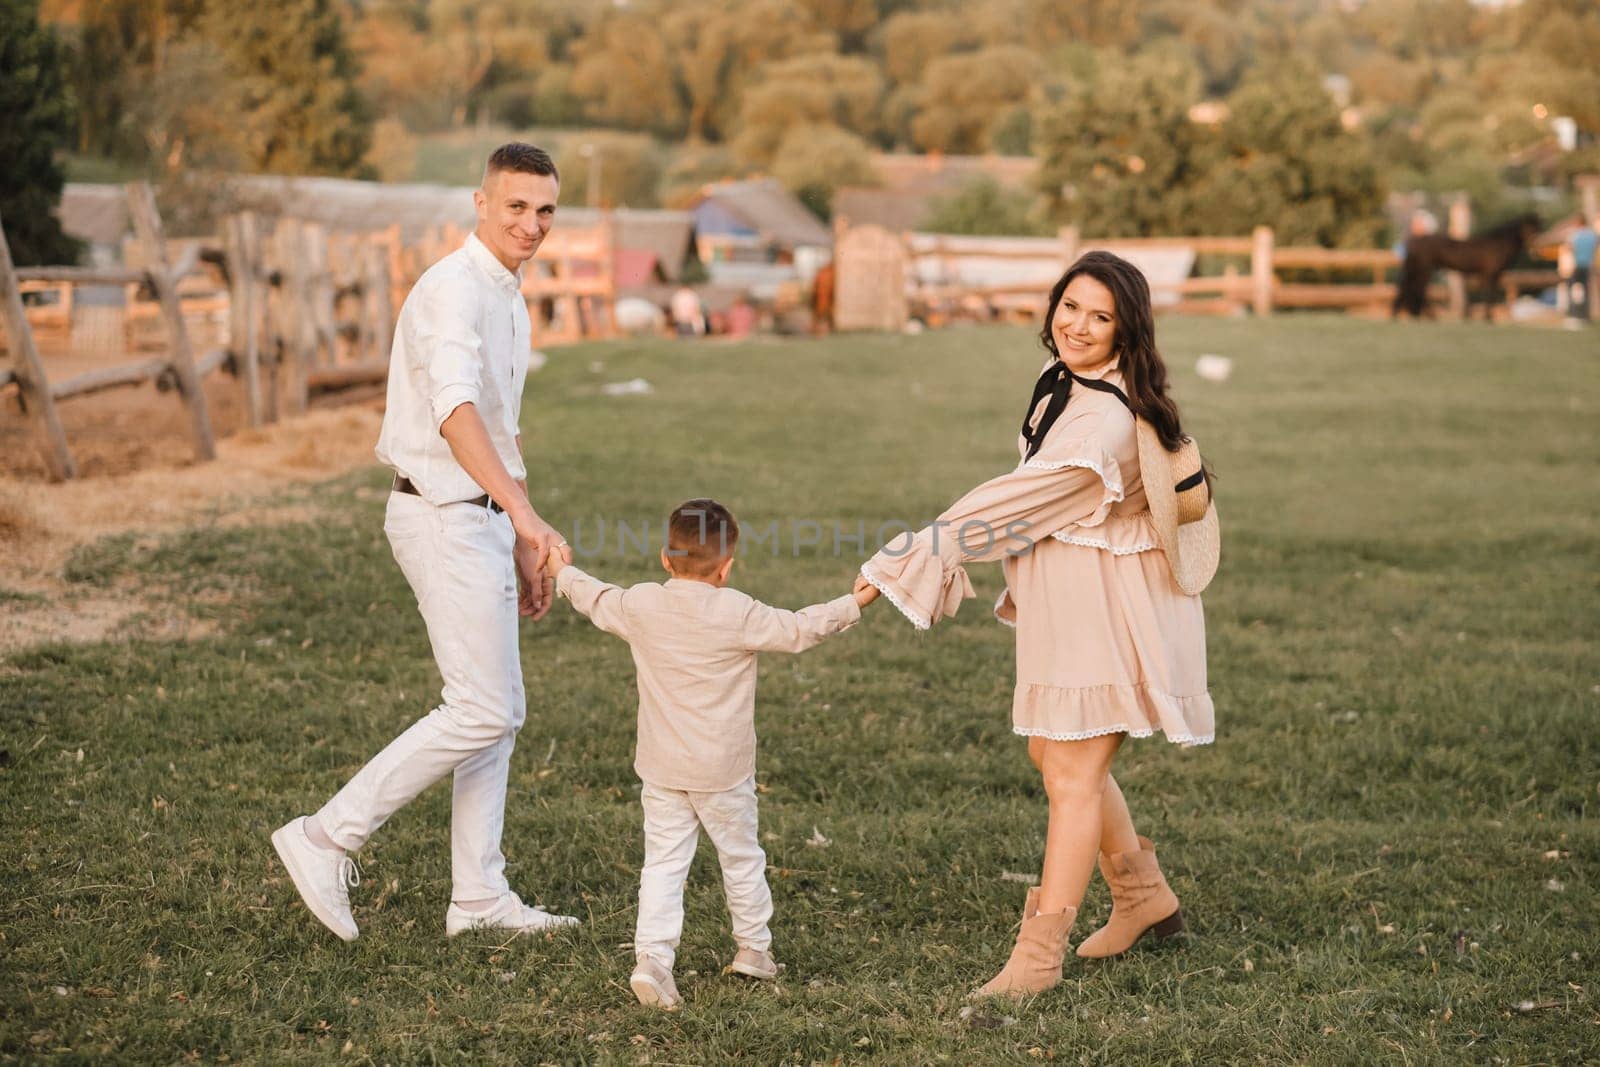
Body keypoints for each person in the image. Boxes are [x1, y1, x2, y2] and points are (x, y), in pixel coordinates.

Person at [855, 251, 1219, 998]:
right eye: (1071, 306)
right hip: (1076, 598)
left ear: (1128, 331)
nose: (1079, 326)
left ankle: (1037, 958)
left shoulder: (1107, 423)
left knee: (1073, 774)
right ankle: (1145, 899)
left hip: (1115, 611)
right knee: (1051, 755)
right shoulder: (1068, 382)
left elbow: (1016, 505)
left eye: (1101, 317)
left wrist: (919, 550)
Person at [271, 143, 578, 942]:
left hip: (479, 514)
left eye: (545, 209)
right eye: (516, 206)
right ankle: (324, 834)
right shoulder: (451, 290)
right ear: (479, 203)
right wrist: (524, 517)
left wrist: (518, 528)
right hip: (439, 512)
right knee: (480, 704)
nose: (532, 224)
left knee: (499, 711)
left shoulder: (507, 297)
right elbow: (455, 411)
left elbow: (500, 432)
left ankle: (478, 896)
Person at [550, 500, 876, 1009]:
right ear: (726, 567)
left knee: (662, 863)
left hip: (662, 768)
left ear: (664, 558)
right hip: (722, 772)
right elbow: (799, 628)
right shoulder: (738, 612)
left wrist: (560, 570)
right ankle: (753, 949)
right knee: (741, 856)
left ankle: (653, 960)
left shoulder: (641, 604)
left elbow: (594, 596)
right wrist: (857, 601)